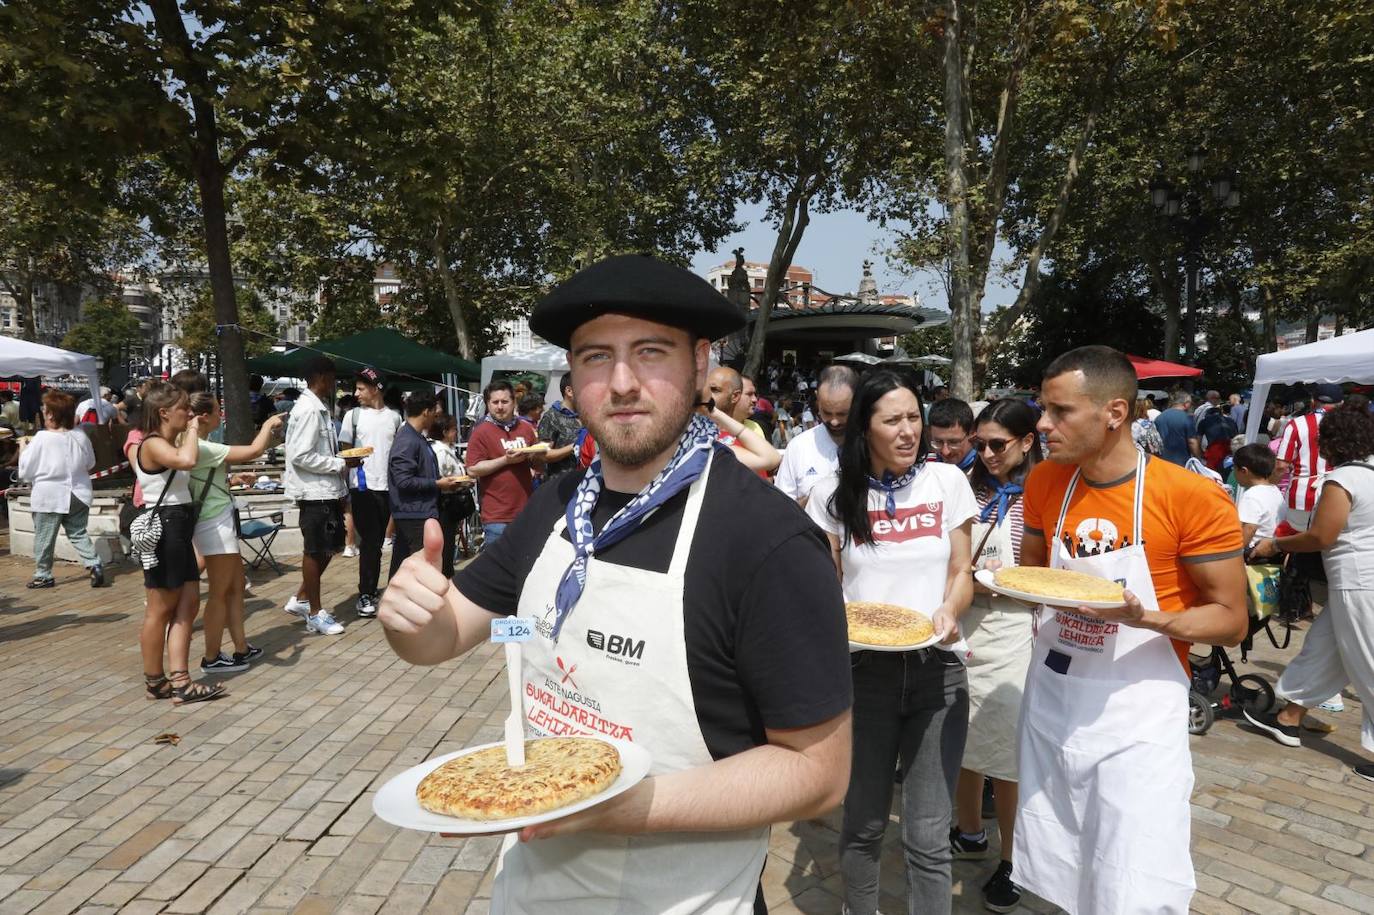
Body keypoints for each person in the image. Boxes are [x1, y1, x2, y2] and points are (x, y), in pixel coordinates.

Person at [377, 254, 852, 915]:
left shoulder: (766, 542)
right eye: (596, 357)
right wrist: (407, 615)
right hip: (531, 891)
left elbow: (819, 773)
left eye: (650, 352)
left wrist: (616, 804)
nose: (622, 382)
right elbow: (441, 635)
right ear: (572, 379)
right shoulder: (555, 504)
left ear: (700, 363)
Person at [1014, 346, 1247, 913]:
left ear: (1114, 412)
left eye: (1060, 411)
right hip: (1053, 694)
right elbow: (1034, 572)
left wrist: (1144, 617)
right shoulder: (1046, 481)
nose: (1043, 424)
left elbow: (1232, 621)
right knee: (1060, 854)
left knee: (1132, 872)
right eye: (1044, 409)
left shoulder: (1190, 495)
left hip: (1137, 710)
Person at [804, 368, 975, 915]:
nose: (908, 431)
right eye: (892, 420)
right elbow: (824, 587)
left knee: (928, 838)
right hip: (862, 679)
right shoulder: (832, 493)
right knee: (864, 825)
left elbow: (961, 568)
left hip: (938, 674)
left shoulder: (947, 483)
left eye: (913, 418)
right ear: (864, 427)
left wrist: (950, 608)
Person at [1243, 408, 1374, 775]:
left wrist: (1277, 546)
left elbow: (1322, 536)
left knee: (1369, 663)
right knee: (1324, 649)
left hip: (1358, 581)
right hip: (1360, 581)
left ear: (1332, 441)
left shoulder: (1344, 479)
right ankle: (1288, 716)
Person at [952, 398, 1041, 911]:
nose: (985, 453)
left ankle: (1013, 860)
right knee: (962, 738)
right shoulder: (967, 487)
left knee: (1005, 756)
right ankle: (968, 832)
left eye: (997, 445)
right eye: (979, 443)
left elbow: (1045, 576)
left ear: (1027, 442)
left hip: (1014, 636)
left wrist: (989, 584)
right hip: (964, 629)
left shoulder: (1045, 495)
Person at [132, 381, 225, 705]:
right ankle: (156, 680)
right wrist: (195, 428)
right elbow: (186, 461)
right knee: (160, 609)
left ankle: (181, 680)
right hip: (166, 529)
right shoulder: (153, 444)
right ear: (163, 412)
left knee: (187, 604)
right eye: (183, 408)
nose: (189, 412)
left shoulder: (169, 441)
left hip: (180, 526)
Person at [185, 393, 283, 671]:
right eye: (218, 411)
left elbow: (203, 478)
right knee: (220, 591)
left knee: (236, 587)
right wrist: (266, 426)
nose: (221, 415)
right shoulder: (200, 446)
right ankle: (212, 656)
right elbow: (252, 451)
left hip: (217, 519)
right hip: (213, 523)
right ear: (203, 416)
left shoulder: (198, 445)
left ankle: (241, 648)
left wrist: (233, 479)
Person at [283, 356, 362, 635]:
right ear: (320, 376)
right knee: (315, 550)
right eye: (332, 376)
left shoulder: (318, 409)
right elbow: (300, 455)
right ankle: (315, 611)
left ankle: (303, 598)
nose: (334, 382)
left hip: (326, 489)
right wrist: (339, 463)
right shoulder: (308, 410)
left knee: (331, 545)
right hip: (314, 492)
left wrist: (341, 460)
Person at [16, 390, 105, 589]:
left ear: (50, 414)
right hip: (79, 492)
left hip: (50, 495)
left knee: (45, 536)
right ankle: (94, 564)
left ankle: (43, 574)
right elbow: (90, 462)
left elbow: (25, 469)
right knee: (78, 532)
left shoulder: (41, 438)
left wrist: (23, 446)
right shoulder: (80, 436)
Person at [339, 367, 403, 618]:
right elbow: (346, 450)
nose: (356, 393)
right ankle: (365, 592)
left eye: (361, 388)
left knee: (381, 543)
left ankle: (380, 591)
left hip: (388, 488)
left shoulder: (395, 417)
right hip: (362, 487)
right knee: (370, 543)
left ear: (376, 389)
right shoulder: (352, 416)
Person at [388, 390, 465, 573]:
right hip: (413, 514)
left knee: (406, 569)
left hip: (419, 511)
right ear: (426, 412)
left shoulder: (416, 437)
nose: (435, 418)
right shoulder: (407, 439)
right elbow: (404, 481)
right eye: (435, 413)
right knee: (418, 570)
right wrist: (438, 484)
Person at [466, 380, 539, 547]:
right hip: (497, 517)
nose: (500, 406)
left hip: (525, 512)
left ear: (514, 402)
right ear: (488, 404)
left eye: (504, 402)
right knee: (497, 570)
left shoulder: (526, 429)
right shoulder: (481, 432)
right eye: (495, 402)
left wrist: (538, 454)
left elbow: (538, 465)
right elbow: (472, 469)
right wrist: (505, 460)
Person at [774, 364, 858, 507]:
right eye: (827, 412)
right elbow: (782, 508)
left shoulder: (873, 443)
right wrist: (815, 499)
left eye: (842, 414)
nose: (834, 421)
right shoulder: (798, 447)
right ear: (817, 399)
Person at [1277, 383, 1343, 530]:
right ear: (1341, 403)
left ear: (1313, 401)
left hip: (1302, 495)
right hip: (1340, 492)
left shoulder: (1295, 424)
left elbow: (1281, 465)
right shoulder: (1350, 426)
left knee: (1300, 540)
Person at [705, 366, 781, 475]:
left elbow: (771, 461)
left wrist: (713, 412)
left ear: (735, 396)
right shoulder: (701, 434)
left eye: (714, 390)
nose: (755, 400)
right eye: (749, 394)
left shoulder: (755, 427)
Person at [429, 413, 474, 578]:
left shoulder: (447, 449)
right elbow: (441, 478)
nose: (456, 433)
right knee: (446, 546)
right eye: (454, 429)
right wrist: (461, 482)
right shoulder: (440, 452)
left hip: (450, 502)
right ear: (445, 431)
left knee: (448, 544)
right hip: (446, 503)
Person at [1233, 443, 1285, 560]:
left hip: (1254, 554)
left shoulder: (1251, 496)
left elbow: (1249, 528)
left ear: (1243, 471)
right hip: (1273, 550)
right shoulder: (1274, 490)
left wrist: (1234, 555)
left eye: (1234, 468)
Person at [537, 375, 582, 480]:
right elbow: (544, 454)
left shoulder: (587, 414)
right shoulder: (552, 417)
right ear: (569, 391)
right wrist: (574, 446)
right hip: (561, 484)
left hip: (587, 483)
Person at [928, 397, 977, 471]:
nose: (945, 452)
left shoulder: (987, 471)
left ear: (972, 433)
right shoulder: (926, 468)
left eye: (954, 442)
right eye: (938, 442)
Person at [1154, 390, 1200, 466]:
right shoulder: (1187, 418)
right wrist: (1198, 458)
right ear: (1186, 404)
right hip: (1181, 463)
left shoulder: (1159, 417)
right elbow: (1192, 442)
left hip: (1162, 461)